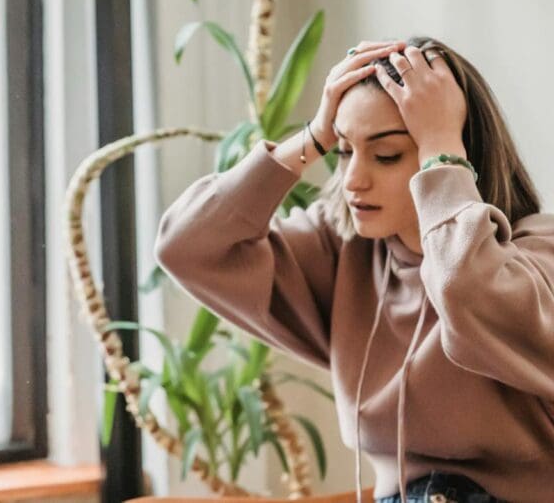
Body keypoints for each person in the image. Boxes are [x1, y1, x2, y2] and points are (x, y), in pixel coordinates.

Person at [155, 37, 554, 503]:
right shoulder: (343, 254)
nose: (352, 180)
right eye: (344, 151)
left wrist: (442, 148)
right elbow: (186, 247)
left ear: (459, 156)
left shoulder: (536, 256)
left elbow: (465, 294)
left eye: (386, 155)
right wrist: (313, 136)